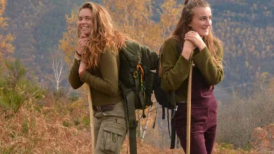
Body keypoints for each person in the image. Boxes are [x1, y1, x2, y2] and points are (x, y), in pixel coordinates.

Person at [160, 0, 224, 153]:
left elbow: (215, 77)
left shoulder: (214, 45)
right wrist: (186, 53)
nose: (208, 23)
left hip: (210, 111)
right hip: (187, 113)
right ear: (189, 22)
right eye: (202, 18)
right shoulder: (172, 45)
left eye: (210, 18)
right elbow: (168, 83)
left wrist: (202, 48)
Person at [68, 2, 128, 154]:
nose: (83, 22)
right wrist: (79, 54)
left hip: (113, 116)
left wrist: (85, 75)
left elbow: (111, 87)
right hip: (99, 115)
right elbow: (74, 83)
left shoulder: (106, 47)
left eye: (88, 18)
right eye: (80, 18)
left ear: (98, 21)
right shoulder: (89, 47)